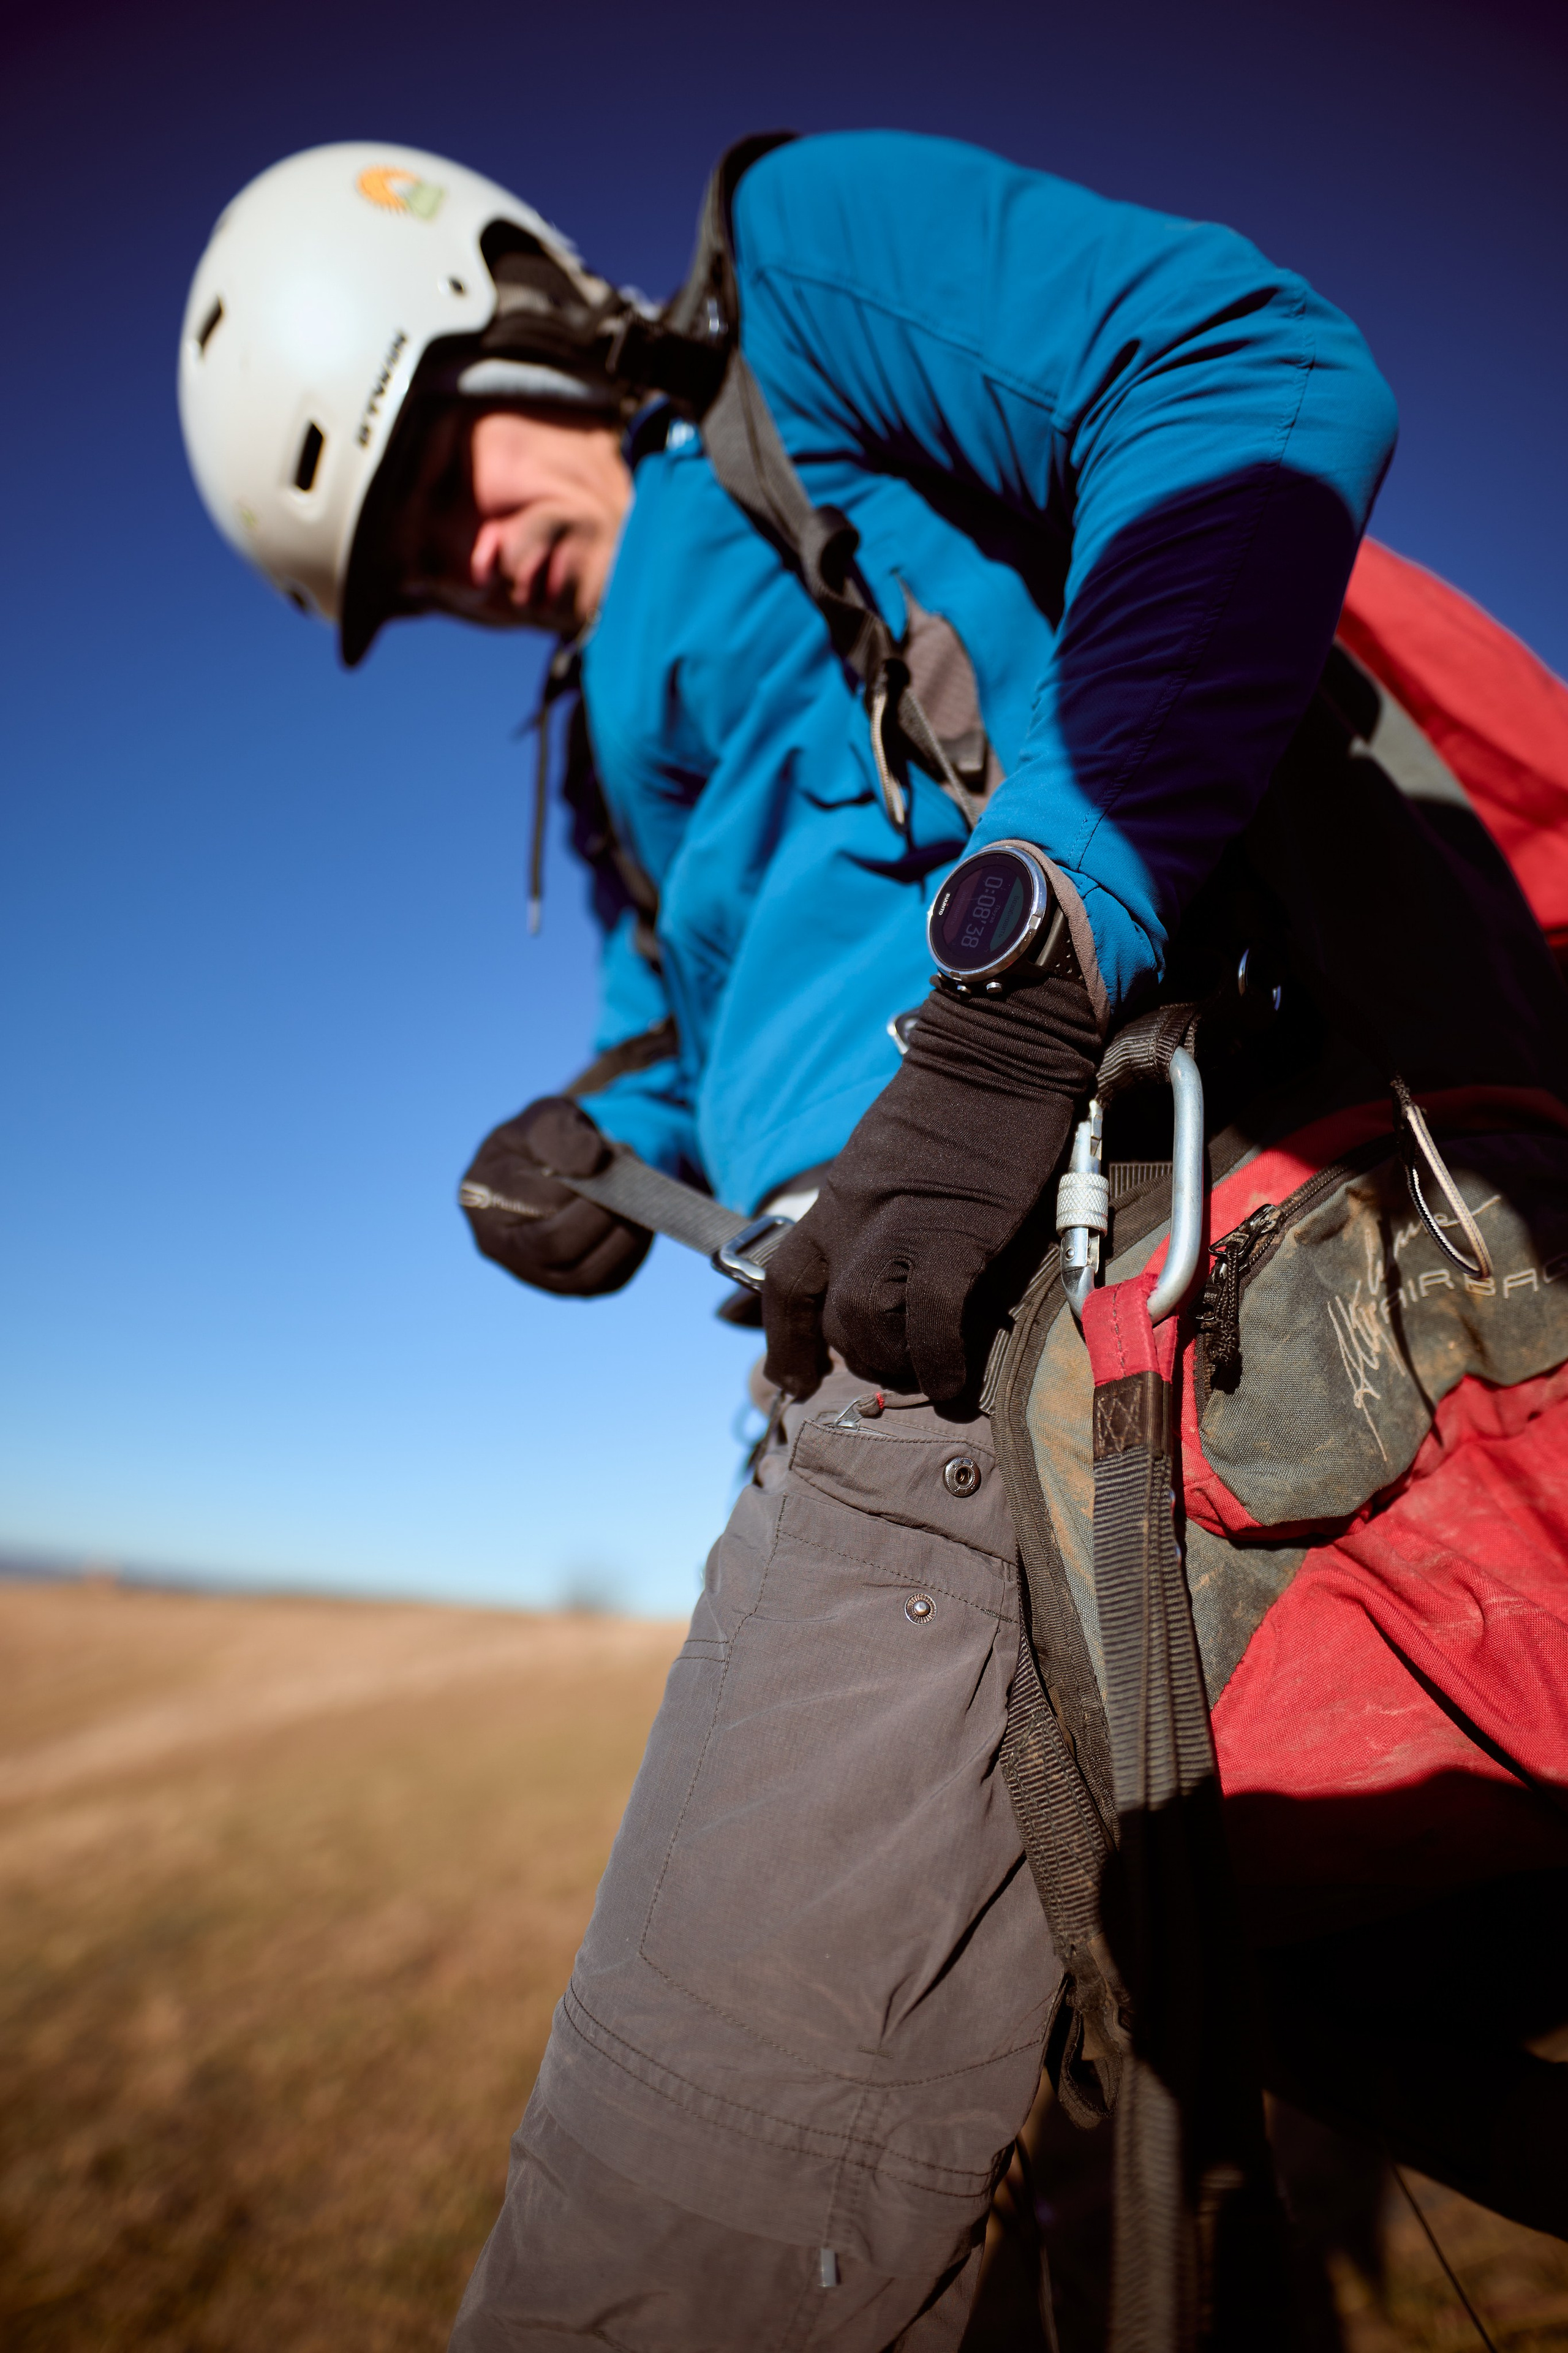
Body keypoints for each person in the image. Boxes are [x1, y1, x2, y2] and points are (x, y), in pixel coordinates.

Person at [178, 130, 1398, 2345]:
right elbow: (691, 1025)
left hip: (1030, 1279)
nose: (467, 568)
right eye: (407, 579)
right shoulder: (604, 755)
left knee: (654, 2253)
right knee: (1090, 2195)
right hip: (843, 1322)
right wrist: (589, 1134)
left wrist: (1029, 983)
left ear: (524, 317)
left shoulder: (810, 289)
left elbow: (1254, 376)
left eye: (440, 485)